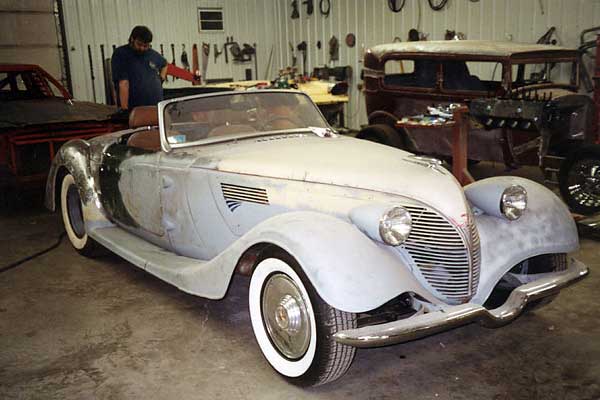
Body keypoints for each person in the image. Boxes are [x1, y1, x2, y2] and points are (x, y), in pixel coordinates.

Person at [111, 26, 167, 113]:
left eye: (146, 46)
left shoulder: (151, 54)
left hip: (156, 107)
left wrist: (161, 79)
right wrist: (125, 110)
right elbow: (123, 83)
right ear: (132, 39)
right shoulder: (121, 54)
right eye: (139, 44)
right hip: (135, 109)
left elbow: (164, 64)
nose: (142, 48)